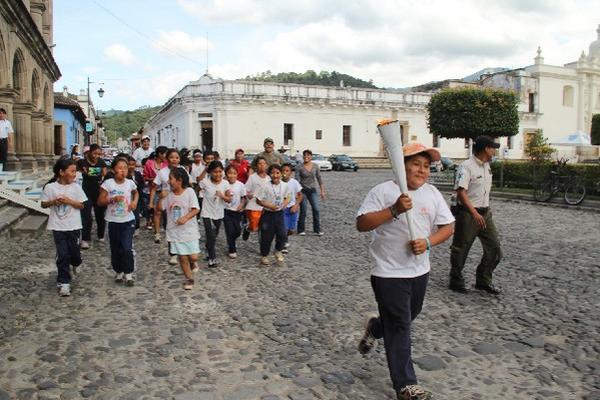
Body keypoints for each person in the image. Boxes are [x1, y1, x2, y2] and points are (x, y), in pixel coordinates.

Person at [356, 143, 455, 400]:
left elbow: (448, 226)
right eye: (416, 164)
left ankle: (376, 328)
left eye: (426, 166)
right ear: (402, 166)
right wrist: (394, 210)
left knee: (408, 315)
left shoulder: (432, 193)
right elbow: (362, 223)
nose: (422, 170)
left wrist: (429, 242)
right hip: (388, 272)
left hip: (420, 271)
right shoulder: (383, 191)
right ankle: (406, 385)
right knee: (401, 325)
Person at [449, 135, 503, 295]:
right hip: (469, 213)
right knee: (461, 248)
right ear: (486, 149)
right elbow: (461, 192)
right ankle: (455, 279)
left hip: (485, 212)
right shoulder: (466, 167)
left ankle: (483, 280)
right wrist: (473, 212)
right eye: (493, 147)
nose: (494, 150)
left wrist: (483, 213)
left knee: (495, 248)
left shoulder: (487, 166)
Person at [41, 159, 87, 297]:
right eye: (72, 171)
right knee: (62, 254)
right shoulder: (50, 188)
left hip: (74, 226)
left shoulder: (76, 187)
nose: (74, 174)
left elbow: (81, 205)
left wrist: (69, 201)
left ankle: (76, 263)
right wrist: (53, 202)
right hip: (58, 226)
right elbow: (43, 204)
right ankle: (64, 281)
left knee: (74, 253)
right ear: (61, 172)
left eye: (75, 171)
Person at [97, 157, 139, 286]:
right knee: (116, 248)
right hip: (113, 220)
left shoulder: (130, 183)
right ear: (113, 169)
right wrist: (112, 199)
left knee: (126, 247)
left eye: (125, 168)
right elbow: (99, 201)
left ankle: (129, 273)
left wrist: (134, 202)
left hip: (127, 220)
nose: (123, 171)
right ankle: (118, 270)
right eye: (120, 168)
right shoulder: (108, 184)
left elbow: (136, 193)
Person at [158, 167, 201, 290]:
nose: (169, 181)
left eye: (171, 179)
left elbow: (196, 209)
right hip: (175, 232)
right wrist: (161, 197)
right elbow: (159, 209)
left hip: (190, 230)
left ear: (179, 180)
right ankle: (189, 278)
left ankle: (193, 262)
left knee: (193, 256)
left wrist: (186, 218)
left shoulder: (189, 192)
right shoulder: (168, 195)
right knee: (182, 257)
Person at [199, 160, 232, 267]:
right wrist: (205, 169)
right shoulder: (205, 182)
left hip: (218, 213)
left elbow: (229, 199)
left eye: (220, 171)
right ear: (210, 172)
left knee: (214, 235)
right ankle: (212, 259)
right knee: (210, 234)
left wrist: (222, 196)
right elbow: (197, 182)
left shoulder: (225, 183)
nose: (217, 174)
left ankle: (208, 247)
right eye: (215, 172)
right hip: (207, 212)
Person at [256, 164, 290, 265]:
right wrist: (269, 205)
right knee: (267, 236)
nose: (275, 175)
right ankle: (264, 255)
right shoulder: (265, 186)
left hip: (279, 214)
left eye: (277, 173)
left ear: (281, 173)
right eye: (272, 173)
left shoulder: (284, 185)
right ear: (269, 174)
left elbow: (288, 196)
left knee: (282, 234)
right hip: (268, 214)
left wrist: (285, 203)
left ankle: (278, 250)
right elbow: (258, 200)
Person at [77, 143, 107, 249]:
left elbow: (105, 174)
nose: (96, 156)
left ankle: (101, 235)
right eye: (95, 153)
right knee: (86, 216)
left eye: (99, 154)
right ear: (90, 152)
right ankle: (85, 239)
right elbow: (77, 170)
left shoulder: (101, 162)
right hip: (86, 192)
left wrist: (103, 180)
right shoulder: (82, 162)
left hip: (98, 192)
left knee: (100, 215)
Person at [296, 149, 325, 236]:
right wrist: (297, 192)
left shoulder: (315, 166)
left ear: (311, 157)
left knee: (316, 209)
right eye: (305, 155)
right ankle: (301, 229)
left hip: (312, 190)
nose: (306, 157)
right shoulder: (299, 167)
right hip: (303, 191)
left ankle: (317, 229)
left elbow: (319, 178)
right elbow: (297, 180)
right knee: (303, 210)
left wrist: (322, 191)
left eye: (308, 155)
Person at [243, 156, 270, 241]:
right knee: (254, 227)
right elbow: (245, 189)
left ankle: (263, 245)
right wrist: (248, 195)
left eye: (264, 163)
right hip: (253, 204)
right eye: (259, 164)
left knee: (264, 227)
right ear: (256, 166)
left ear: (267, 165)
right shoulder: (252, 177)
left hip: (265, 205)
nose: (262, 165)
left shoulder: (269, 178)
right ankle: (247, 228)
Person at [223, 164, 246, 258]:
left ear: (237, 174)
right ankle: (232, 249)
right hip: (226, 210)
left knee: (237, 231)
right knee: (229, 230)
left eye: (234, 173)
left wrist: (241, 205)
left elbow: (243, 198)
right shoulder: (223, 184)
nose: (232, 175)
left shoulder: (240, 185)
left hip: (237, 211)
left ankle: (232, 240)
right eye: (229, 173)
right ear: (226, 174)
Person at [142, 146, 168, 231]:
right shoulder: (149, 163)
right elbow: (145, 177)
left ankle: (164, 225)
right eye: (165, 154)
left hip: (164, 189)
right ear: (160, 154)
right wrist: (153, 179)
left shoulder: (166, 163)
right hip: (152, 189)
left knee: (164, 208)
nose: (166, 155)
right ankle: (154, 225)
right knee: (154, 209)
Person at [281, 163, 302, 252]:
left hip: (293, 209)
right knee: (284, 227)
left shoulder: (294, 182)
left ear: (291, 173)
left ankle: (284, 237)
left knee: (291, 229)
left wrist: (296, 205)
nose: (285, 173)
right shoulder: (279, 183)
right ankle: (284, 244)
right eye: (283, 171)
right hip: (283, 208)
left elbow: (300, 195)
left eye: (287, 171)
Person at [127, 155, 144, 234]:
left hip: (137, 197)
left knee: (136, 214)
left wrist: (137, 185)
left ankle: (136, 227)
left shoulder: (138, 174)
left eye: (133, 164)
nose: (131, 166)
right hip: (127, 197)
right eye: (129, 164)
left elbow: (142, 184)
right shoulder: (125, 175)